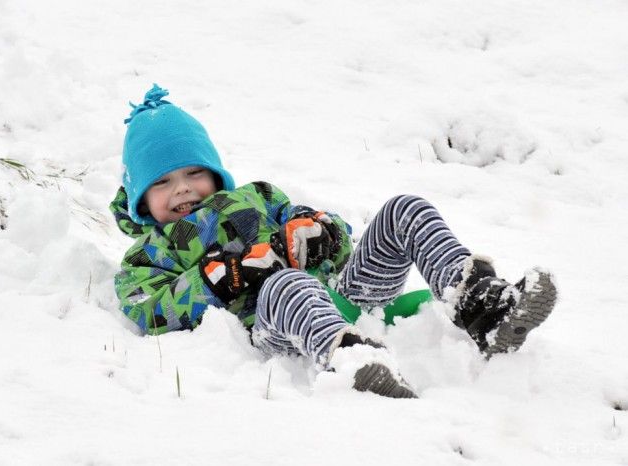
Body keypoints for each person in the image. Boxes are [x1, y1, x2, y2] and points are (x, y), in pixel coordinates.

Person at [111, 84, 558, 399]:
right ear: (141, 198)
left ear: (215, 173)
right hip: (280, 325)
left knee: (405, 208)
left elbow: (329, 231)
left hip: (348, 293)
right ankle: (354, 360)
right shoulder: (146, 257)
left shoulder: (258, 198)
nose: (184, 188)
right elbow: (149, 311)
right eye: (164, 181)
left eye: (194, 173)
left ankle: (479, 305)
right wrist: (222, 277)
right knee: (285, 285)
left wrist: (320, 232)